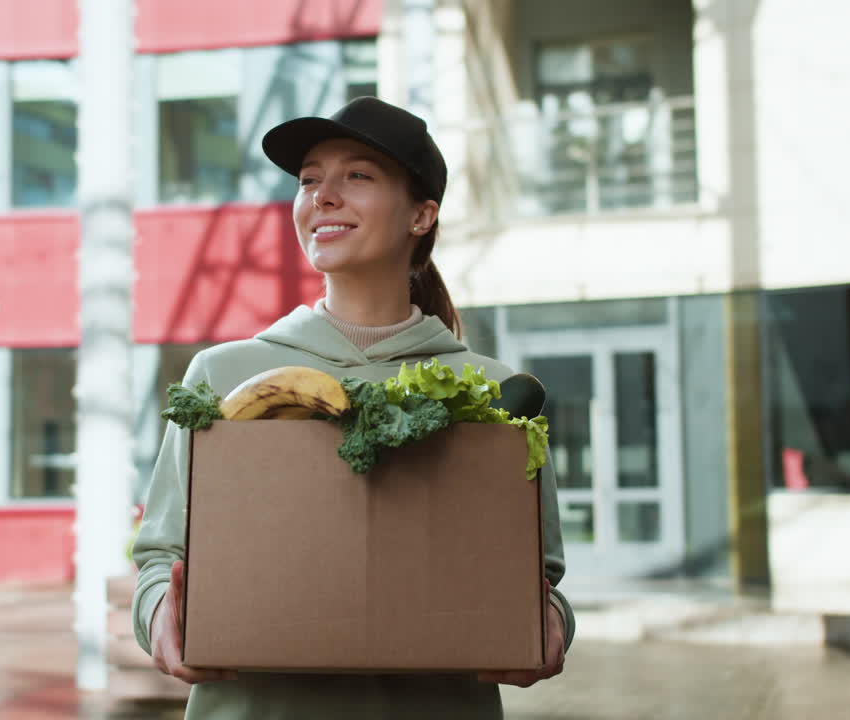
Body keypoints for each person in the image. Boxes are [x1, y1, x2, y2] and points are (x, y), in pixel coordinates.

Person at [131, 97, 575, 719]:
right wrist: (160, 616)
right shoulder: (227, 375)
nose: (323, 196)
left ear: (422, 215)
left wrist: (549, 625)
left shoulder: (494, 392)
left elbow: (540, 574)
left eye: (357, 176)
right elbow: (161, 555)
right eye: (310, 180)